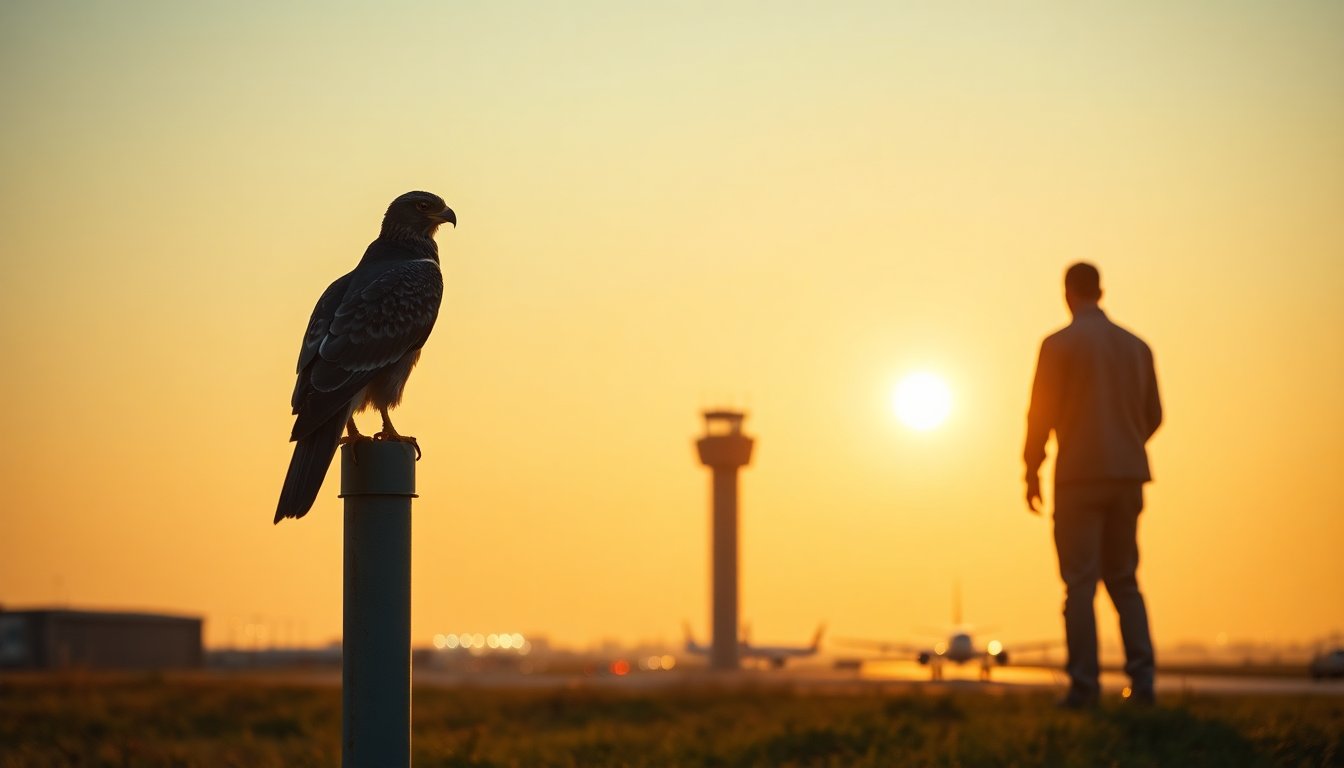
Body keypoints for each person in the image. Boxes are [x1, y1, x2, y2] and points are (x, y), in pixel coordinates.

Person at [1024, 262, 1162, 708]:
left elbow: (1040, 416)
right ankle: (1143, 684)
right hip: (1127, 475)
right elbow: (1154, 415)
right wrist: (1124, 442)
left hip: (1079, 476)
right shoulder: (1137, 346)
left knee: (1080, 585)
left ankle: (1084, 687)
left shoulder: (1058, 346)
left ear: (1068, 294)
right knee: (1124, 580)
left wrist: (1031, 469)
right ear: (1100, 291)